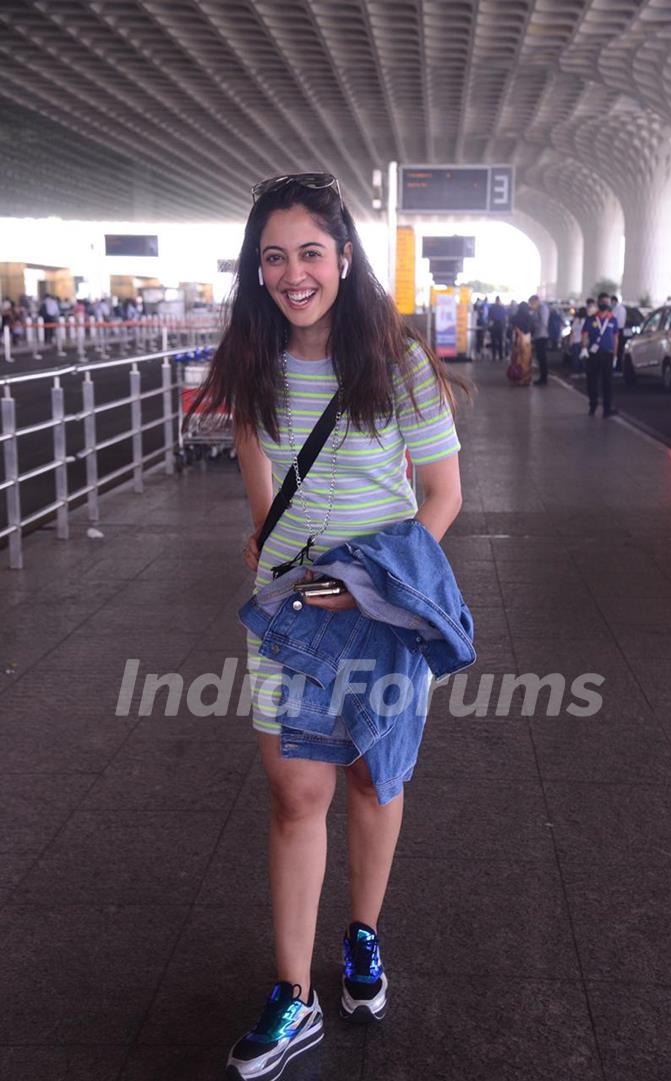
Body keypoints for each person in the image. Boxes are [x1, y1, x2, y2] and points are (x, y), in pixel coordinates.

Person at [185, 174, 468, 1081]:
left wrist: (375, 583)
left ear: (345, 258)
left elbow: (443, 495)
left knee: (370, 779)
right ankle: (293, 995)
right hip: (289, 618)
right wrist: (270, 534)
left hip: (382, 616)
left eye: (310, 252)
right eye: (274, 256)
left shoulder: (401, 362)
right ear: (256, 269)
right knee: (293, 792)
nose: (292, 272)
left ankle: (363, 937)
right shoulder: (254, 357)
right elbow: (254, 453)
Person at [580, 291, 619, 417]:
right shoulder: (591, 319)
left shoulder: (613, 320)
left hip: (608, 354)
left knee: (607, 382)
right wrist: (584, 348)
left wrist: (615, 355)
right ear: (598, 303)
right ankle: (593, 405)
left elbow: (615, 338)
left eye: (607, 303)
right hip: (593, 354)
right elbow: (584, 335)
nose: (605, 304)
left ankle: (607, 409)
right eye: (603, 302)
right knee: (592, 380)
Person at [506, 300, 533, 386]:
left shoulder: (515, 317)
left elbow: (510, 328)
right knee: (526, 360)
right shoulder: (529, 317)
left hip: (517, 340)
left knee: (516, 359)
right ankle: (525, 379)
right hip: (527, 340)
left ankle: (516, 377)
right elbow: (531, 329)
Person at [528, 293, 550, 385]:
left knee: (542, 358)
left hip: (542, 335)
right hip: (538, 335)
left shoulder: (543, 308)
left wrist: (535, 325)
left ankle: (544, 378)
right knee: (540, 358)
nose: (531, 306)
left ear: (536, 301)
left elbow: (544, 323)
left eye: (532, 303)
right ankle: (542, 377)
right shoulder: (538, 309)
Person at [488, 295, 507, 361]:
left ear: (495, 300)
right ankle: (501, 356)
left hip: (494, 326)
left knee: (493, 342)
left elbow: (489, 317)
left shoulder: (492, 308)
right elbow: (504, 318)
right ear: (499, 300)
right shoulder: (502, 308)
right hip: (500, 326)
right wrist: (504, 326)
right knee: (500, 342)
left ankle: (494, 356)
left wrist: (489, 327)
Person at [611, 294, 627, 372]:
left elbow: (613, 319)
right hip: (622, 330)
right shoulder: (623, 308)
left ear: (614, 301)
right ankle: (620, 367)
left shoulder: (615, 309)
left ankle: (616, 366)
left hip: (616, 330)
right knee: (620, 349)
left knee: (616, 349)